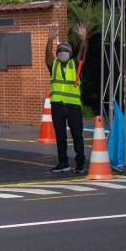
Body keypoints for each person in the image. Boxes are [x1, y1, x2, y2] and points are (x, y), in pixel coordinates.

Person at [46, 23, 88, 174]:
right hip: (57, 105)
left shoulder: (76, 64)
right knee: (60, 136)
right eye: (60, 50)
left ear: (70, 53)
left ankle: (80, 163)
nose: (62, 52)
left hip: (73, 105)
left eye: (65, 50)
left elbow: (82, 54)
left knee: (77, 135)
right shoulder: (53, 65)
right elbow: (47, 57)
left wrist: (83, 39)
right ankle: (63, 162)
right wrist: (50, 40)